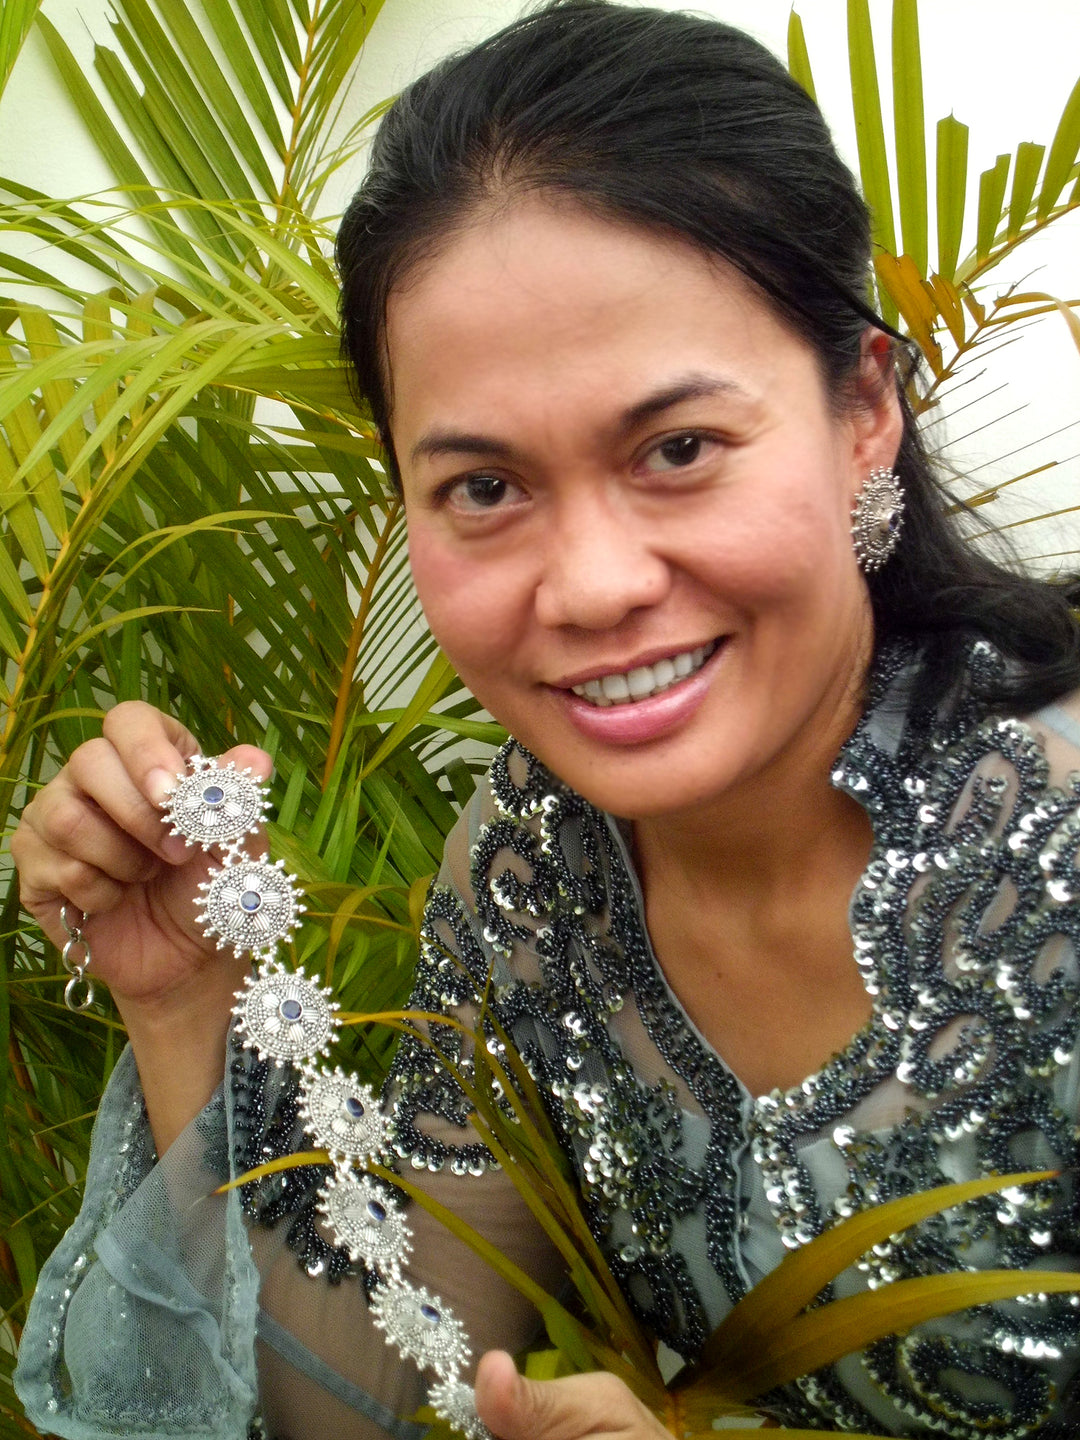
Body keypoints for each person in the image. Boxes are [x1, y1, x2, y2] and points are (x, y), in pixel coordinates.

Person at [11, 1, 1080, 1436]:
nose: (588, 586)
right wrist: (183, 1004)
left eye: (678, 448)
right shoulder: (535, 865)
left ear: (864, 411)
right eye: (485, 488)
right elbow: (377, 1395)